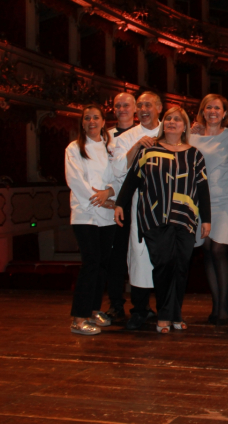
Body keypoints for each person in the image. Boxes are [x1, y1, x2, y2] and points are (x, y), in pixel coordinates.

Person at [115, 107, 211, 334]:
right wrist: (120, 203)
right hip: (154, 216)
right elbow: (132, 179)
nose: (172, 122)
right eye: (168, 118)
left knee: (180, 267)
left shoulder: (195, 154)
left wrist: (206, 219)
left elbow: (203, 188)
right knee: (163, 265)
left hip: (185, 218)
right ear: (162, 124)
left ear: (185, 126)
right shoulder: (149, 150)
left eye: (178, 119)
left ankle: (175, 314)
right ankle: (165, 315)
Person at [111, 91, 163, 330]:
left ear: (159, 107)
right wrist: (135, 147)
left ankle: (166, 308)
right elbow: (119, 171)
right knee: (139, 256)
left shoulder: (171, 129)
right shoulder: (128, 136)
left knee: (165, 257)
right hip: (138, 202)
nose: (144, 109)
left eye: (148, 105)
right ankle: (140, 309)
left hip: (166, 203)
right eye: (140, 105)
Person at [65, 104, 118, 335]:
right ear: (82, 122)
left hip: (107, 215)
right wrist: (99, 199)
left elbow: (117, 176)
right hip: (85, 213)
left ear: (103, 121)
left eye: (96, 117)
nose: (91, 121)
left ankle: (94, 309)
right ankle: (78, 318)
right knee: (91, 263)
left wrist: (109, 194)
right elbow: (75, 179)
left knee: (102, 265)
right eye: (87, 118)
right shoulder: (74, 147)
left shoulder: (110, 147)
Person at [189, 94, 228, 325]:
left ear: (224, 113)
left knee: (219, 249)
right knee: (208, 249)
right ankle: (217, 302)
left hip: (226, 198)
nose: (212, 111)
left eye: (217, 108)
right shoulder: (192, 136)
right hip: (201, 199)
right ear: (202, 111)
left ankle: (224, 304)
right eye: (208, 107)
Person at [105, 92, 137, 321]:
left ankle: (141, 306)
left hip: (142, 202)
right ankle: (116, 304)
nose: (122, 108)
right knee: (115, 258)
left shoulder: (149, 133)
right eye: (118, 105)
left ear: (135, 108)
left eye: (126, 105)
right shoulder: (105, 137)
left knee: (139, 256)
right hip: (116, 203)